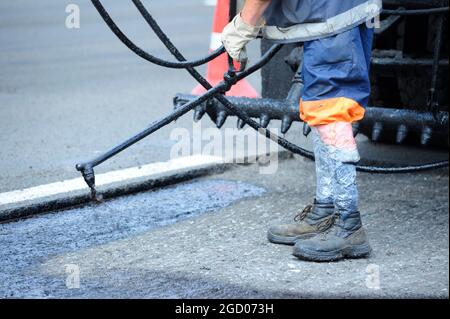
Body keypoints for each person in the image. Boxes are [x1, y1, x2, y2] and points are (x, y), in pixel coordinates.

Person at [221, 0, 382, 262]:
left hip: (332, 15)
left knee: (331, 108)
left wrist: (245, 23)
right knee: (321, 106)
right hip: (335, 13)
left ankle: (350, 224)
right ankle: (326, 210)